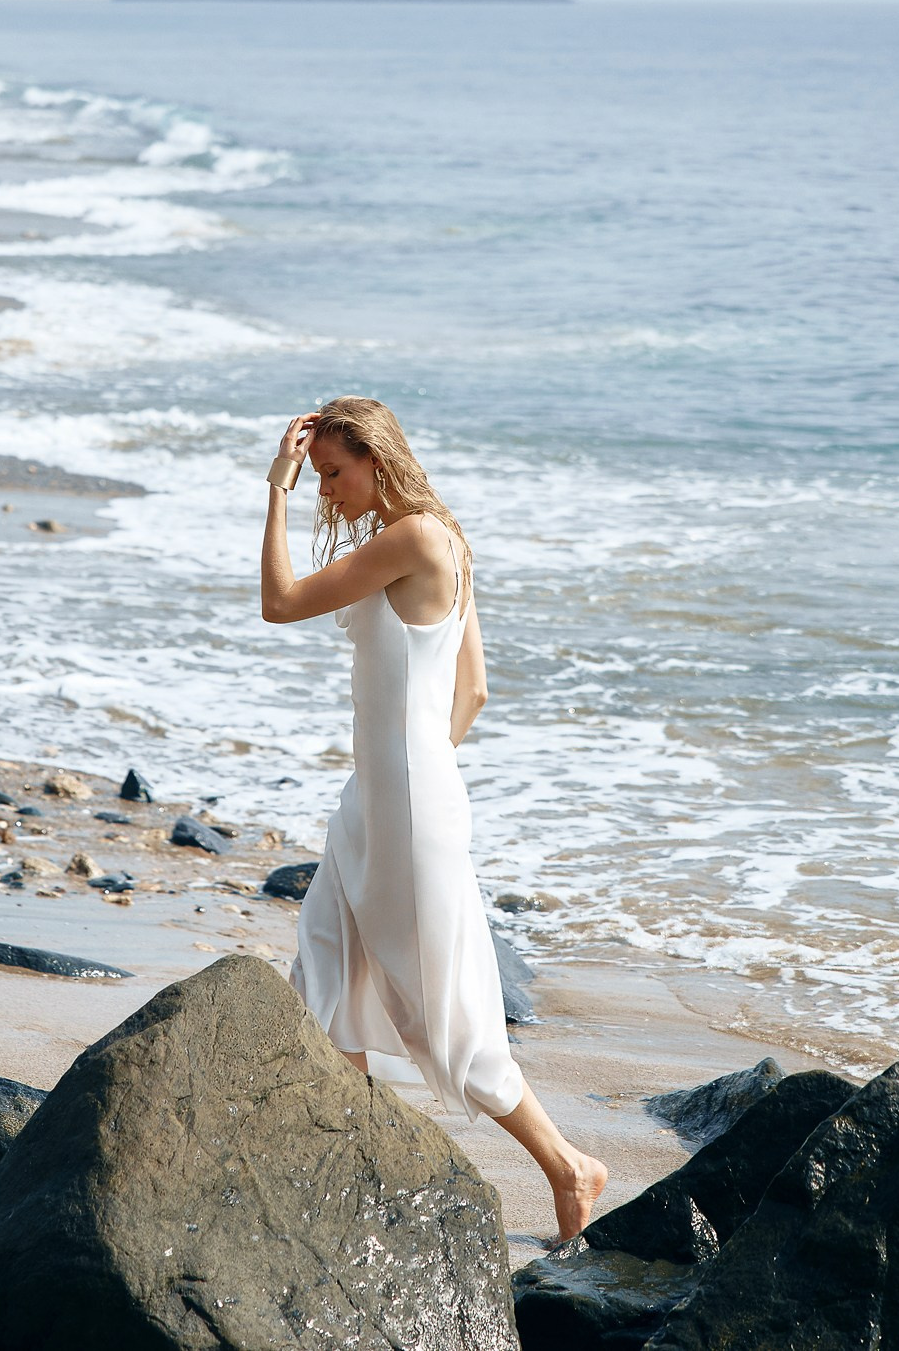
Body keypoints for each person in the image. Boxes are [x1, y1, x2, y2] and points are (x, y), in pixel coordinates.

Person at [260, 396, 608, 1241]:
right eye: (313, 477)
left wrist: (272, 487)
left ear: (377, 459)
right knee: (326, 971)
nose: (323, 491)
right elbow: (474, 689)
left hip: (407, 806)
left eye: (333, 473)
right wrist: (409, 768)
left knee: (445, 1019)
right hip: (381, 797)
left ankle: (569, 1165)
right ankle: (339, 1166)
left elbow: (279, 601)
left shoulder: (413, 538)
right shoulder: (442, 535)